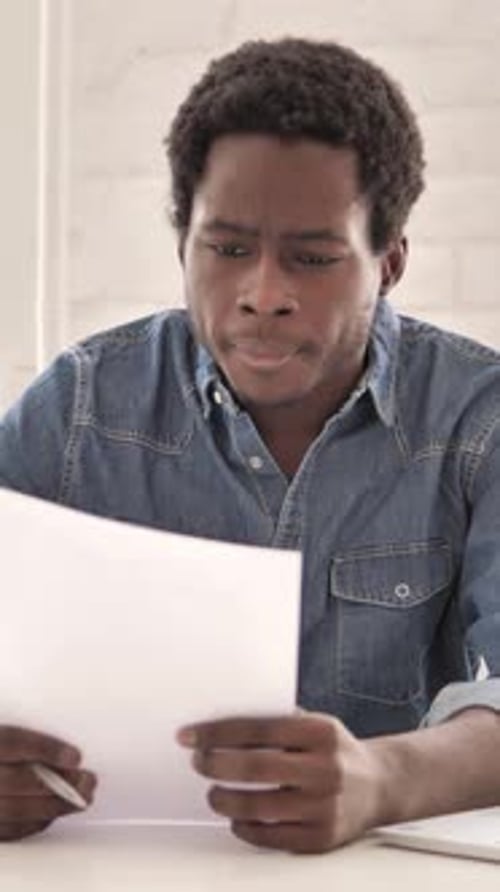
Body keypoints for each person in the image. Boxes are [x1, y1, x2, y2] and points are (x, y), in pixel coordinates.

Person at [1, 37, 500, 853]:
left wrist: (383, 779)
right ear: (182, 245)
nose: (263, 296)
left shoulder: (478, 417)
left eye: (313, 258)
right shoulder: (79, 408)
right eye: (227, 250)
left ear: (391, 261)